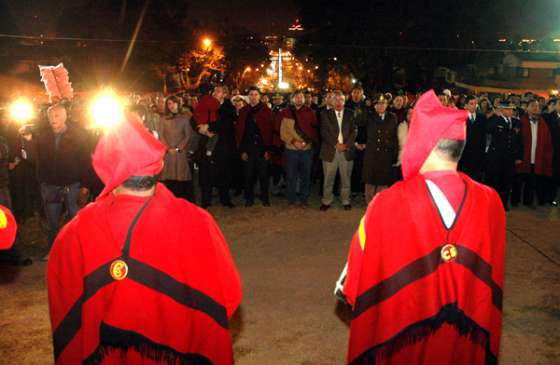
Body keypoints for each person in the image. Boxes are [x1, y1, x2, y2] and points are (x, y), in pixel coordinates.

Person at [47, 114, 242, 365]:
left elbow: (63, 302)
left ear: (106, 170)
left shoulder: (74, 233)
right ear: (157, 166)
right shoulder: (197, 221)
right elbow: (228, 295)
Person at [335, 90, 505, 365]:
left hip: (403, 342)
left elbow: (354, 285)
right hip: (465, 340)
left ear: (421, 142)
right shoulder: (492, 202)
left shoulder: (386, 203)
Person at [21, 104, 90, 258]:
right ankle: (54, 251)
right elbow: (33, 159)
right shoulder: (43, 137)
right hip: (51, 187)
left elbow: (85, 161)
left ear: (65, 117)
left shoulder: (77, 135)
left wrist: (85, 185)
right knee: (53, 223)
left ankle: (78, 252)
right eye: (51, 116)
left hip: (72, 186)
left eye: (57, 115)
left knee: (76, 222)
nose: (53, 119)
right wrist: (29, 141)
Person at [195, 86, 236, 208]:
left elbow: (225, 124)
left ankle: (225, 199)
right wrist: (200, 128)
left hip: (222, 146)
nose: (215, 93)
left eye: (218, 91)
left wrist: (208, 126)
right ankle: (205, 200)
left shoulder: (229, 108)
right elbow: (194, 119)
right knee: (205, 174)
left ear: (224, 94)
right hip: (206, 144)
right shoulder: (205, 104)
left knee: (223, 173)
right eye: (214, 91)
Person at [235, 86, 275, 207]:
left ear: (260, 96)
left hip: (262, 149)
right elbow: (240, 132)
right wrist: (242, 151)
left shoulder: (266, 111)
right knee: (248, 176)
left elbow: (270, 131)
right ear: (248, 96)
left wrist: (268, 150)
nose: (253, 97)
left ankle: (265, 198)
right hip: (248, 149)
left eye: (255, 94)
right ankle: (249, 198)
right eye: (251, 94)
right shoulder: (243, 111)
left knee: (263, 176)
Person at [279, 90, 319, 206]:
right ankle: (291, 199)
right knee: (291, 176)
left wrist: (306, 143)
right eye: (296, 97)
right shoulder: (285, 112)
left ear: (304, 99)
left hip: (306, 150)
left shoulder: (311, 112)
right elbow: (283, 132)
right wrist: (293, 141)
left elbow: (314, 131)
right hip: (291, 150)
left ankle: (303, 199)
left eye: (301, 97)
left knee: (305, 176)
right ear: (292, 99)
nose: (299, 99)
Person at [511, 99, 554, 208]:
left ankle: (528, 201)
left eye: (538, 107)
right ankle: (514, 201)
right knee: (518, 181)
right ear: (527, 108)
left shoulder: (543, 123)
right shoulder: (521, 121)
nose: (536, 108)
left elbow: (547, 142)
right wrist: (516, 156)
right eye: (533, 106)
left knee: (531, 181)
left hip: (536, 157)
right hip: (523, 157)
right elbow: (515, 141)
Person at [357, 94, 399, 203]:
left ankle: (380, 205)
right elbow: (359, 120)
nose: (381, 106)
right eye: (378, 104)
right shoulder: (369, 116)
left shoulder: (392, 117)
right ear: (375, 106)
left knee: (383, 182)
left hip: (385, 154)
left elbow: (394, 137)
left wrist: (394, 154)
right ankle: (369, 204)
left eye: (383, 103)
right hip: (372, 154)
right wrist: (366, 106)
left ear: (387, 105)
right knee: (370, 182)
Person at [319, 91, 356, 211]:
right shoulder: (325, 114)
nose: (339, 102)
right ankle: (327, 200)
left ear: (344, 101)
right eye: (336, 100)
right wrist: (336, 144)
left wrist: (346, 145)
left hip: (346, 150)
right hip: (330, 150)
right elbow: (324, 132)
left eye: (341, 100)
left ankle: (345, 200)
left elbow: (354, 131)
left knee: (346, 178)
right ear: (332, 101)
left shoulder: (350, 113)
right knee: (328, 178)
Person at [485, 102, 523, 210]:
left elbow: (519, 141)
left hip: (509, 158)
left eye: (512, 109)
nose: (511, 111)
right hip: (496, 157)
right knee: (494, 181)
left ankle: (503, 204)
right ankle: (492, 205)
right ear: (502, 110)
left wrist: (519, 156)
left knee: (507, 181)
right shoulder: (496, 120)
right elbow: (487, 128)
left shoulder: (516, 122)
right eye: (508, 109)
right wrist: (494, 115)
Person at [158, 95, 194, 201]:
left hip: (180, 153)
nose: (171, 106)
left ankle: (182, 201)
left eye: (173, 103)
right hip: (168, 153)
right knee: (169, 178)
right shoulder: (163, 119)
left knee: (180, 177)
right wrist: (168, 148)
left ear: (178, 104)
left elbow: (187, 135)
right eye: (169, 103)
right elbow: (161, 135)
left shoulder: (185, 118)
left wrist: (179, 148)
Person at [459, 95, 487, 181]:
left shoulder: (482, 118)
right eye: (471, 104)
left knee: (474, 181)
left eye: (475, 104)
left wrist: (482, 154)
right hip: (463, 156)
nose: (474, 106)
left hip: (477, 156)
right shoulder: (461, 117)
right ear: (466, 105)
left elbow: (483, 138)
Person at [346, 85, 367, 195]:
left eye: (359, 92)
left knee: (362, 166)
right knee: (350, 168)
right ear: (351, 94)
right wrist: (353, 142)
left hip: (363, 141)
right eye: (355, 92)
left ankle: (361, 189)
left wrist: (365, 143)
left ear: (362, 94)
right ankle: (352, 190)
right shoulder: (346, 106)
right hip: (350, 140)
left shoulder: (366, 107)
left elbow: (368, 125)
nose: (356, 94)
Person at [543, 98, 559, 206]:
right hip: (551, 151)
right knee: (550, 175)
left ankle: (554, 197)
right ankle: (547, 197)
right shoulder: (548, 117)